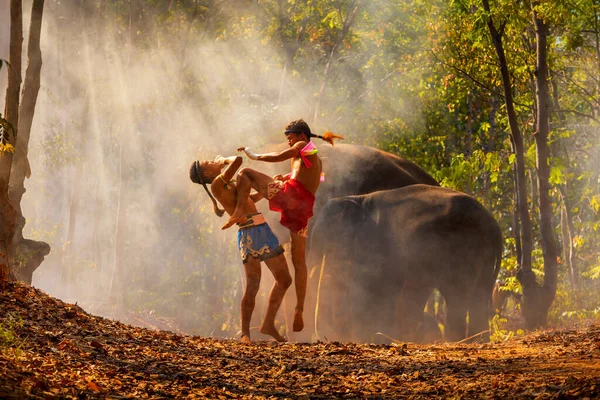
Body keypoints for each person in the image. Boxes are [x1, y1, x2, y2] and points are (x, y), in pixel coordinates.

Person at [221, 119, 343, 332]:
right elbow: (317, 179)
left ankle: (240, 209)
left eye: (291, 139)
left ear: (302, 137)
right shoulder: (314, 158)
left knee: (247, 173)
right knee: (299, 262)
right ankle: (299, 310)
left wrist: (254, 155)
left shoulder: (303, 146)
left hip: (293, 198)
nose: (289, 143)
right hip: (303, 211)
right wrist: (287, 177)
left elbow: (279, 157)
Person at [189, 155, 292, 343]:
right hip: (249, 232)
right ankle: (245, 332)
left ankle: (268, 323)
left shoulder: (226, 186)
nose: (213, 160)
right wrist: (223, 160)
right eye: (209, 162)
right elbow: (237, 160)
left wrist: (271, 185)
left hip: (262, 229)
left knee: (284, 280)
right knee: (253, 284)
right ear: (207, 173)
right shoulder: (217, 185)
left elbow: (248, 199)